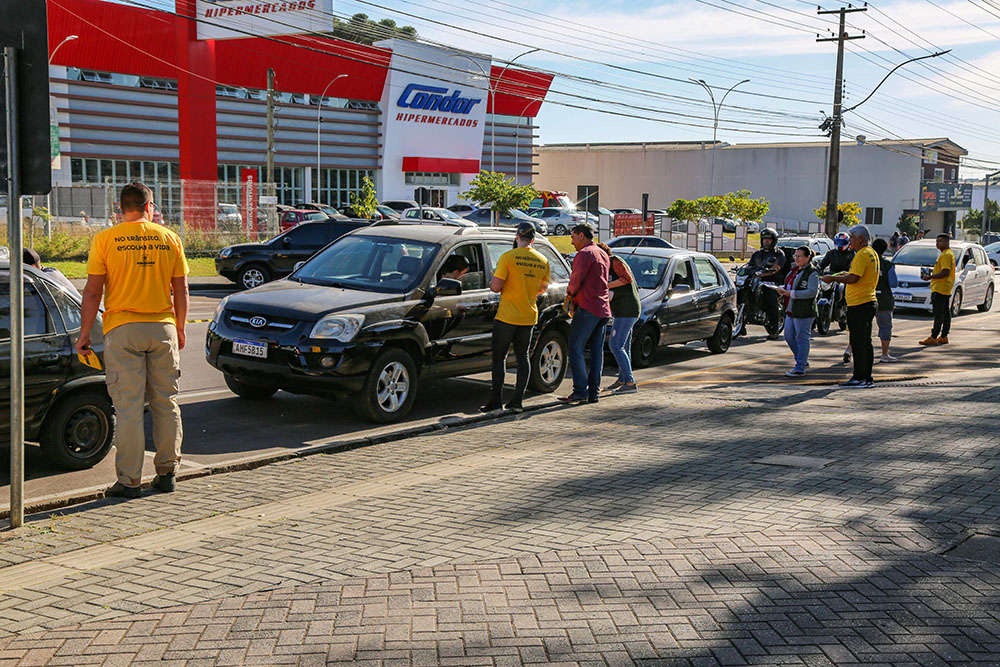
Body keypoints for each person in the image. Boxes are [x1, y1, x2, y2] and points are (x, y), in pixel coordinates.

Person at [75, 182, 189, 498]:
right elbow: (180, 290)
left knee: (128, 408)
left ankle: (129, 481)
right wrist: (179, 328)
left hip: (122, 329)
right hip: (162, 327)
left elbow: (93, 291)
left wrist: (85, 334)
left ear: (120, 208)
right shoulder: (170, 238)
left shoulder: (105, 239)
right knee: (166, 402)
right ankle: (167, 474)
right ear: (149, 207)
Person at [481, 223, 549, 414]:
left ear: (517, 237)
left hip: (507, 316)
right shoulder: (542, 260)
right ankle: (517, 401)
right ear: (533, 240)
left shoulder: (508, 257)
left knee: (499, 358)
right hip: (528, 316)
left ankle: (496, 401)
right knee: (523, 357)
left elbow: (495, 287)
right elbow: (542, 289)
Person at [821, 224, 879, 388]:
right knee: (865, 342)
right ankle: (866, 378)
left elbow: (854, 278)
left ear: (862, 238)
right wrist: (839, 275)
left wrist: (833, 279)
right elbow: (855, 274)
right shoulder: (871, 253)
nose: (850, 240)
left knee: (859, 342)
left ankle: (859, 377)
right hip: (867, 302)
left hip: (860, 303)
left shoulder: (862, 254)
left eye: (852, 236)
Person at [559, 223, 611, 404]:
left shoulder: (584, 254)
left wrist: (569, 296)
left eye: (573, 237)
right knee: (597, 352)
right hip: (602, 307)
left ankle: (580, 390)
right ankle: (593, 392)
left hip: (588, 306)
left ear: (582, 236)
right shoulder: (602, 253)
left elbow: (576, 280)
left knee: (575, 348)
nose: (572, 242)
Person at [598, 242, 640, 394]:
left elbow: (626, 278)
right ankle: (622, 379)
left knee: (615, 345)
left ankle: (630, 382)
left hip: (627, 310)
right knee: (624, 346)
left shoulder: (614, 260)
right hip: (623, 311)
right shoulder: (607, 265)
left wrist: (605, 285)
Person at [775, 245, 819, 377]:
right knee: (789, 337)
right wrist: (782, 289)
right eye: (795, 256)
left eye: (800, 256)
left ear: (808, 257)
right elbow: (789, 284)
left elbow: (811, 292)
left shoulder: (812, 272)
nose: (797, 258)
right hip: (790, 310)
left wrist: (791, 293)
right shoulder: (794, 270)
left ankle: (800, 367)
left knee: (802, 338)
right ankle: (802, 360)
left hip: (804, 311)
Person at [819, 232, 856, 363]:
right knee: (822, 290)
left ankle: (844, 307)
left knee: (844, 291)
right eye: (839, 244)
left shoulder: (852, 254)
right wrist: (818, 269)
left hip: (844, 278)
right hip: (831, 277)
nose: (840, 247)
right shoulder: (831, 254)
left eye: (843, 244)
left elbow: (852, 267)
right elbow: (823, 264)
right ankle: (818, 317)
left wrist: (847, 274)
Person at [746, 227, 785, 339]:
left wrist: (762, 274)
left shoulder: (779, 254)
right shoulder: (757, 254)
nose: (766, 241)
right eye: (764, 239)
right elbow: (749, 265)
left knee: (770, 298)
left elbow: (776, 268)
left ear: (774, 240)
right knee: (742, 290)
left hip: (772, 282)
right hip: (757, 280)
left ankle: (774, 329)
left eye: (768, 239)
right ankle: (743, 320)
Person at [919, 233, 955, 346]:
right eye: (936, 241)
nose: (937, 243)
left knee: (939, 314)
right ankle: (944, 336)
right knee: (945, 312)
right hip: (946, 287)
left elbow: (945, 272)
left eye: (940, 241)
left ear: (946, 242)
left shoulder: (945, 255)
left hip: (940, 288)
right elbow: (943, 270)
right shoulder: (948, 253)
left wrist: (930, 277)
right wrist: (933, 271)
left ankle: (934, 337)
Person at [871, 238, 897, 362]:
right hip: (884, 300)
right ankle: (884, 354)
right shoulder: (887, 264)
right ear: (885, 249)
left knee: (861, 327)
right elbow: (893, 283)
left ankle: (850, 350)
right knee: (885, 327)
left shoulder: (867, 262)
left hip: (866, 298)